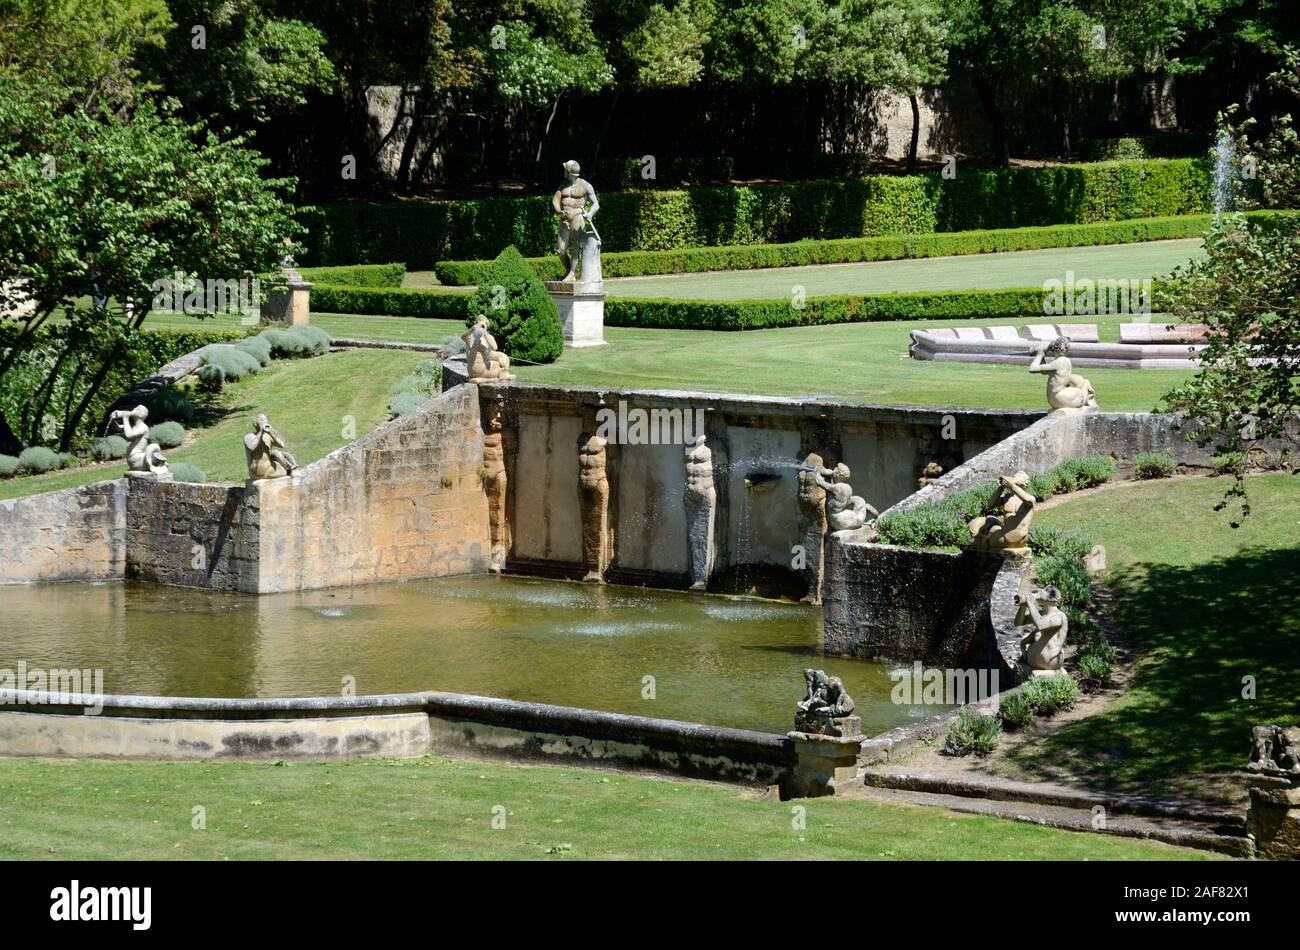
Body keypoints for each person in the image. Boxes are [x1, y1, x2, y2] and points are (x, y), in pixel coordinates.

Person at [552, 160, 600, 282]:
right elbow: (555, 200)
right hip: (564, 220)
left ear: (569, 172)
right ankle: (569, 271)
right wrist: (558, 211)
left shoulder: (585, 186)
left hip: (577, 219)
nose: (563, 172)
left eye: (565, 170)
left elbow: (595, 204)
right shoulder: (563, 185)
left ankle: (572, 273)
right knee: (561, 250)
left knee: (575, 248)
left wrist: (590, 214)